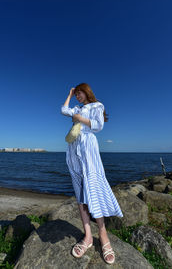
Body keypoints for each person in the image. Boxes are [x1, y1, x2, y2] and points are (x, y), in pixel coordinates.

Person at [61, 83, 123, 265]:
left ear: (86, 92)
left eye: (79, 93)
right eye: (76, 94)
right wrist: (69, 94)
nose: (78, 97)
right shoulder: (76, 107)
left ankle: (103, 235)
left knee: (94, 188)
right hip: (74, 149)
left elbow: (98, 125)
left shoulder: (97, 106)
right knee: (80, 192)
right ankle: (88, 236)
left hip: (88, 147)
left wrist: (80, 119)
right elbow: (64, 110)